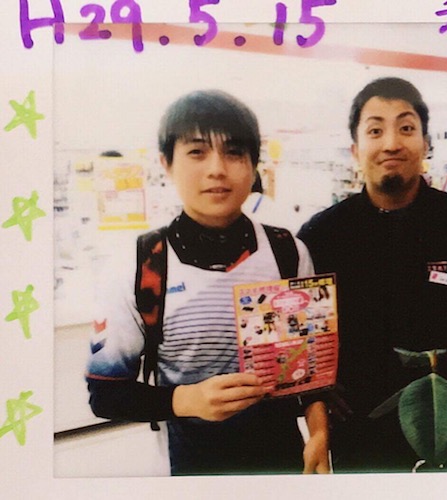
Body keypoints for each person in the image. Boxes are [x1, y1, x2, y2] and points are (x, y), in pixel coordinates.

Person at [297, 77, 447, 472]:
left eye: (406, 127)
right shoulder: (322, 234)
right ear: (355, 149)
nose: (391, 143)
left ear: (426, 143)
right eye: (375, 130)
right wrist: (316, 402)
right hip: (355, 429)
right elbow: (299, 333)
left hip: (443, 427)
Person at [85, 90, 330, 475]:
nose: (217, 169)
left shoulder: (288, 253)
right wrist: (186, 400)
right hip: (189, 468)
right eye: (197, 152)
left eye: (233, 152)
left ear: (254, 165)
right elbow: (105, 393)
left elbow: (307, 366)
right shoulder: (139, 265)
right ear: (166, 164)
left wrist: (318, 431)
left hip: (283, 463)